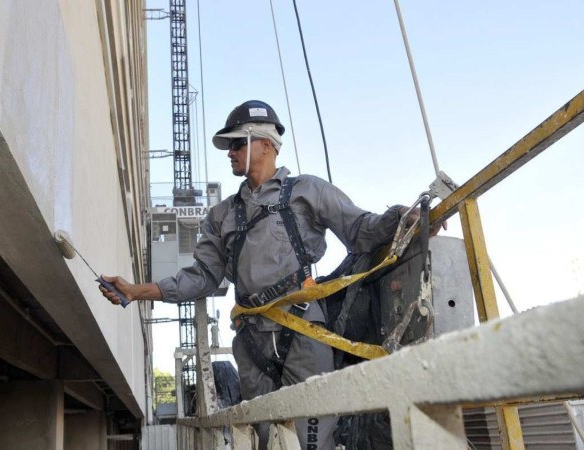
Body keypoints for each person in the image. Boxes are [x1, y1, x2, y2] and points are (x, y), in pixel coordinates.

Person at [101, 100, 435, 449]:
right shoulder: (221, 215)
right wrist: (136, 291)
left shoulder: (308, 191)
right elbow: (203, 276)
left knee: (312, 439)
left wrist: (402, 218)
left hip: (302, 331)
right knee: (265, 439)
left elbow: (360, 230)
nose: (229, 152)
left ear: (265, 144)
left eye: (236, 144)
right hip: (251, 342)